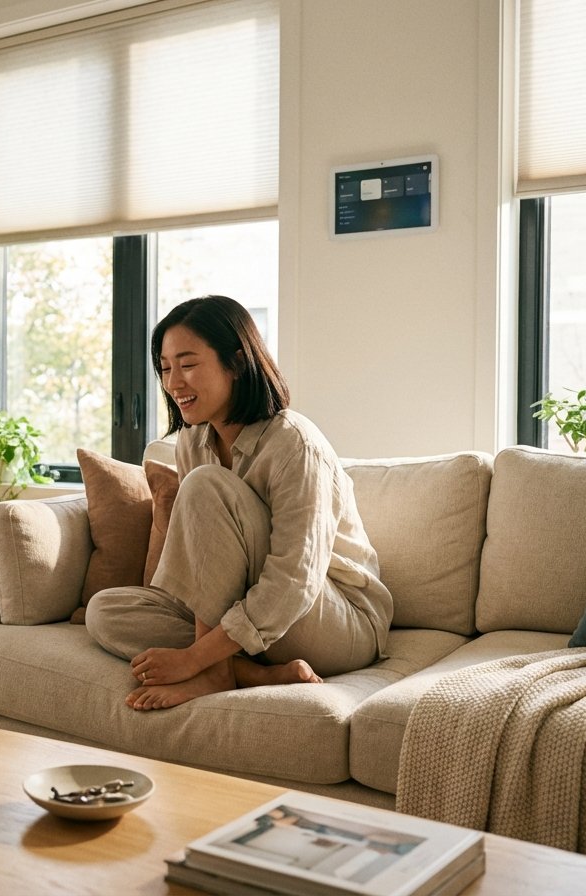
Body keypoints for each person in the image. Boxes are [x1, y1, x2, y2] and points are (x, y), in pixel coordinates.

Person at [85, 295, 393, 711]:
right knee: (105, 610)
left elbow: (295, 581)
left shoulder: (295, 443)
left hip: (336, 620)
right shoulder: (192, 441)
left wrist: (193, 658)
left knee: (205, 484)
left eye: (187, 364)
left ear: (235, 362)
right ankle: (249, 673)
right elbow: (203, 570)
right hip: (253, 616)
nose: (173, 383)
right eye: (165, 368)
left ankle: (212, 671)